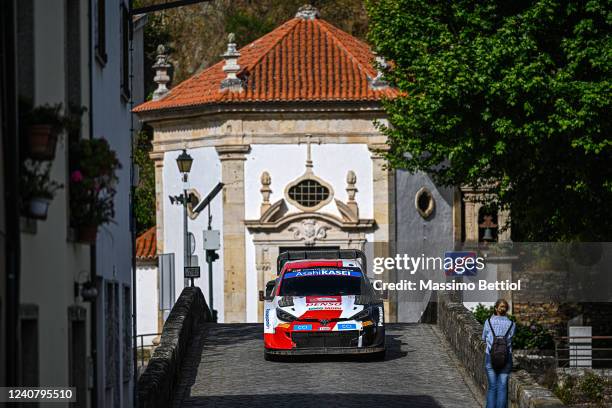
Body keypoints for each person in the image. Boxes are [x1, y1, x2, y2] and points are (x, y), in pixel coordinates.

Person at [482, 299, 515, 408]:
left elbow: (483, 338)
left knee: (492, 387)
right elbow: (510, 340)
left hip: (490, 357)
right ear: (507, 310)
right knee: (502, 386)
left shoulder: (488, 322)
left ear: (496, 308)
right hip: (506, 358)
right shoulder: (512, 324)